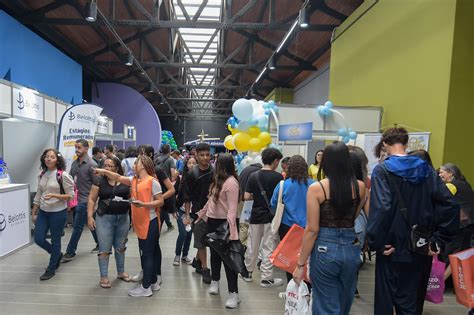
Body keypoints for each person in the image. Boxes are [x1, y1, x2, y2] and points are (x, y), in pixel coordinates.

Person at [366, 127, 459, 315]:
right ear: (407, 144)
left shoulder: (382, 170)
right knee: (410, 303)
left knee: (385, 302)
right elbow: (450, 204)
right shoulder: (426, 169)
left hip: (390, 247)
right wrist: (438, 239)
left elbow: (382, 208)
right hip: (420, 245)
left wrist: (377, 242)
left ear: (384, 144)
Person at [293, 141, 366, 314]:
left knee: (325, 303)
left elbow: (312, 229)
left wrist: (300, 264)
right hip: (352, 247)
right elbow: (354, 216)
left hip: (325, 247)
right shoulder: (360, 187)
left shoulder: (317, 189)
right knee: (344, 300)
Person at [94, 155, 164, 297]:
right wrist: (103, 171)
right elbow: (118, 177)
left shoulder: (152, 181)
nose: (133, 165)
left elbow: (160, 202)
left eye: (136, 163)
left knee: (147, 255)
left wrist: (143, 204)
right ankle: (153, 282)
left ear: (143, 165)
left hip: (150, 222)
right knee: (146, 253)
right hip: (140, 222)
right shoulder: (134, 180)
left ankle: (145, 288)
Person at [196, 153, 241, 308]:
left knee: (229, 260)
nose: (214, 164)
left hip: (225, 225)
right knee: (214, 254)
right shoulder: (217, 181)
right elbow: (211, 201)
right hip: (212, 223)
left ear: (222, 165)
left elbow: (232, 210)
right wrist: (201, 214)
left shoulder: (232, 183)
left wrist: (232, 231)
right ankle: (215, 282)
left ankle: (233, 293)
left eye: (217, 162)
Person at [130, 145, 175, 283]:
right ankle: (146, 271)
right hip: (141, 212)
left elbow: (171, 189)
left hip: (155, 212)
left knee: (153, 244)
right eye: (139, 154)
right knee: (144, 245)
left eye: (142, 154)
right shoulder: (137, 176)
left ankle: (156, 274)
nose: (139, 158)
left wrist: (156, 198)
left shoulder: (158, 171)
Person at [86, 156, 131, 288]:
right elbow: (91, 199)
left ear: (117, 167)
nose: (106, 168)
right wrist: (90, 216)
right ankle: (104, 276)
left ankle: (121, 272)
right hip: (104, 219)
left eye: (110, 166)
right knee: (104, 248)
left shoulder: (125, 181)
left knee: (121, 247)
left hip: (123, 218)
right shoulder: (99, 181)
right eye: (104, 165)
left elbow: (132, 197)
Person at [242, 147, 284, 288]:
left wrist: (257, 197)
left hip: (255, 216)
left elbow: (246, 197)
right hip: (271, 218)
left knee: (252, 245)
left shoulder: (253, 176)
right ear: (275, 161)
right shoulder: (279, 178)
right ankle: (266, 278)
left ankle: (247, 272)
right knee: (268, 247)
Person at [32, 149, 75, 280]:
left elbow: (71, 196)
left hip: (58, 213)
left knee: (56, 241)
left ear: (57, 160)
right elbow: (39, 194)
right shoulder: (42, 174)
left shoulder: (63, 175)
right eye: (46, 156)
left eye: (52, 157)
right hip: (44, 212)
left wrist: (55, 195)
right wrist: (34, 212)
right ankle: (56, 254)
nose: (48, 159)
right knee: (38, 239)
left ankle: (51, 268)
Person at [271, 155, 314, 283]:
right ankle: (307, 285)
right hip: (309, 227)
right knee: (307, 258)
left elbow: (273, 203)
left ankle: (292, 286)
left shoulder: (283, 185)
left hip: (287, 227)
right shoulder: (314, 185)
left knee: (289, 257)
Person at [62, 139, 100, 262]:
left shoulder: (92, 164)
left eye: (79, 147)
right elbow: (71, 179)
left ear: (86, 148)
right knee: (91, 224)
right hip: (76, 199)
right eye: (76, 147)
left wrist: (95, 202)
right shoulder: (75, 163)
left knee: (77, 226)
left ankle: (70, 252)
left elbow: (97, 183)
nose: (77, 150)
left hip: (87, 200)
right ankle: (100, 244)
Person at [183, 142, 214, 284]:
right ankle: (206, 269)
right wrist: (188, 215)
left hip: (213, 213)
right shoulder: (191, 174)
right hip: (197, 214)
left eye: (208, 154)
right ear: (196, 155)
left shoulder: (214, 171)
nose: (205, 157)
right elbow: (187, 197)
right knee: (201, 242)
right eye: (202, 155)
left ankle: (197, 261)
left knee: (207, 240)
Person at [438, 163, 474, 280]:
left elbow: (441, 200)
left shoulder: (451, 185)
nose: (439, 174)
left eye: (442, 172)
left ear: (450, 173)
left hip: (460, 225)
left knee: (451, 254)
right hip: (468, 225)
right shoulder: (465, 184)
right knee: (459, 254)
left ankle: (440, 282)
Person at [173, 156, 197, 266]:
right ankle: (177, 255)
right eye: (190, 163)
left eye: (194, 163)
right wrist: (174, 209)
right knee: (182, 233)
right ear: (186, 165)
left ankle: (185, 255)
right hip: (181, 210)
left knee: (189, 234)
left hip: (193, 212)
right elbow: (173, 194)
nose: (191, 165)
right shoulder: (181, 178)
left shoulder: (199, 178)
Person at [238, 160, 262, 246]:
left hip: (240, 199)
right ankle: (245, 244)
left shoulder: (245, 170)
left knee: (243, 223)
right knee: (248, 224)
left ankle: (241, 243)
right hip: (249, 201)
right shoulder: (258, 172)